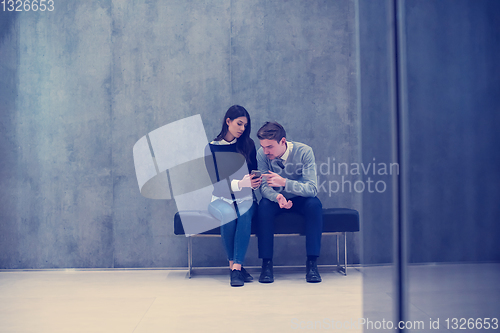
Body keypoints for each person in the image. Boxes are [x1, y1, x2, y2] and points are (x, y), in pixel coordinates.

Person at [256, 121, 323, 283]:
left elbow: (312, 188)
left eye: (270, 147)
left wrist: (284, 183)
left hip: (301, 199)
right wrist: (277, 197)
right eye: (263, 147)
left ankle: (312, 264)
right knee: (263, 207)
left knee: (315, 204)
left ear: (283, 141)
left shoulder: (305, 151)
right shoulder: (261, 154)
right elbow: (264, 187)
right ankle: (266, 264)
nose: (266, 151)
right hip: (276, 199)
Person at [205, 105, 262, 287]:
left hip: (246, 199)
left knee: (244, 215)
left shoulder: (248, 144)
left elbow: (253, 172)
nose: (242, 129)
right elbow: (217, 185)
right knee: (228, 215)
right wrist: (240, 184)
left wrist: (254, 181)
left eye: (245, 125)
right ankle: (235, 268)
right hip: (220, 200)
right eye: (239, 124)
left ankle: (236, 268)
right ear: (228, 121)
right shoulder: (211, 148)